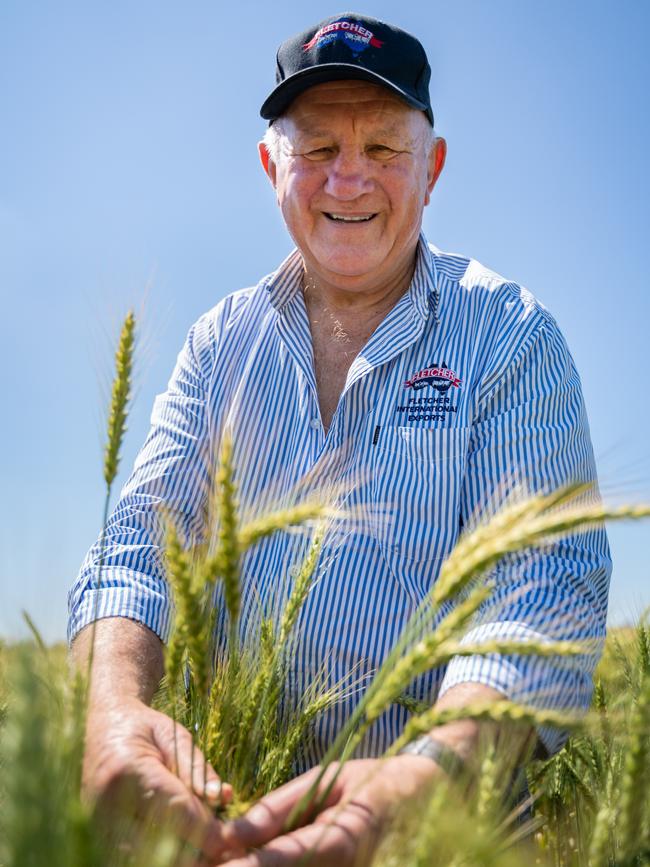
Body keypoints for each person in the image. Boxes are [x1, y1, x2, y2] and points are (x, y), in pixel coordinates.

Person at [69, 12, 611, 866]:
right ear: (270, 167)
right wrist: (111, 712)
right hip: (224, 822)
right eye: (318, 148)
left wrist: (435, 775)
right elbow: (138, 542)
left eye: (384, 150)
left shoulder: (509, 337)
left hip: (447, 845)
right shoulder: (219, 346)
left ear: (431, 168)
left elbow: (545, 590)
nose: (348, 179)